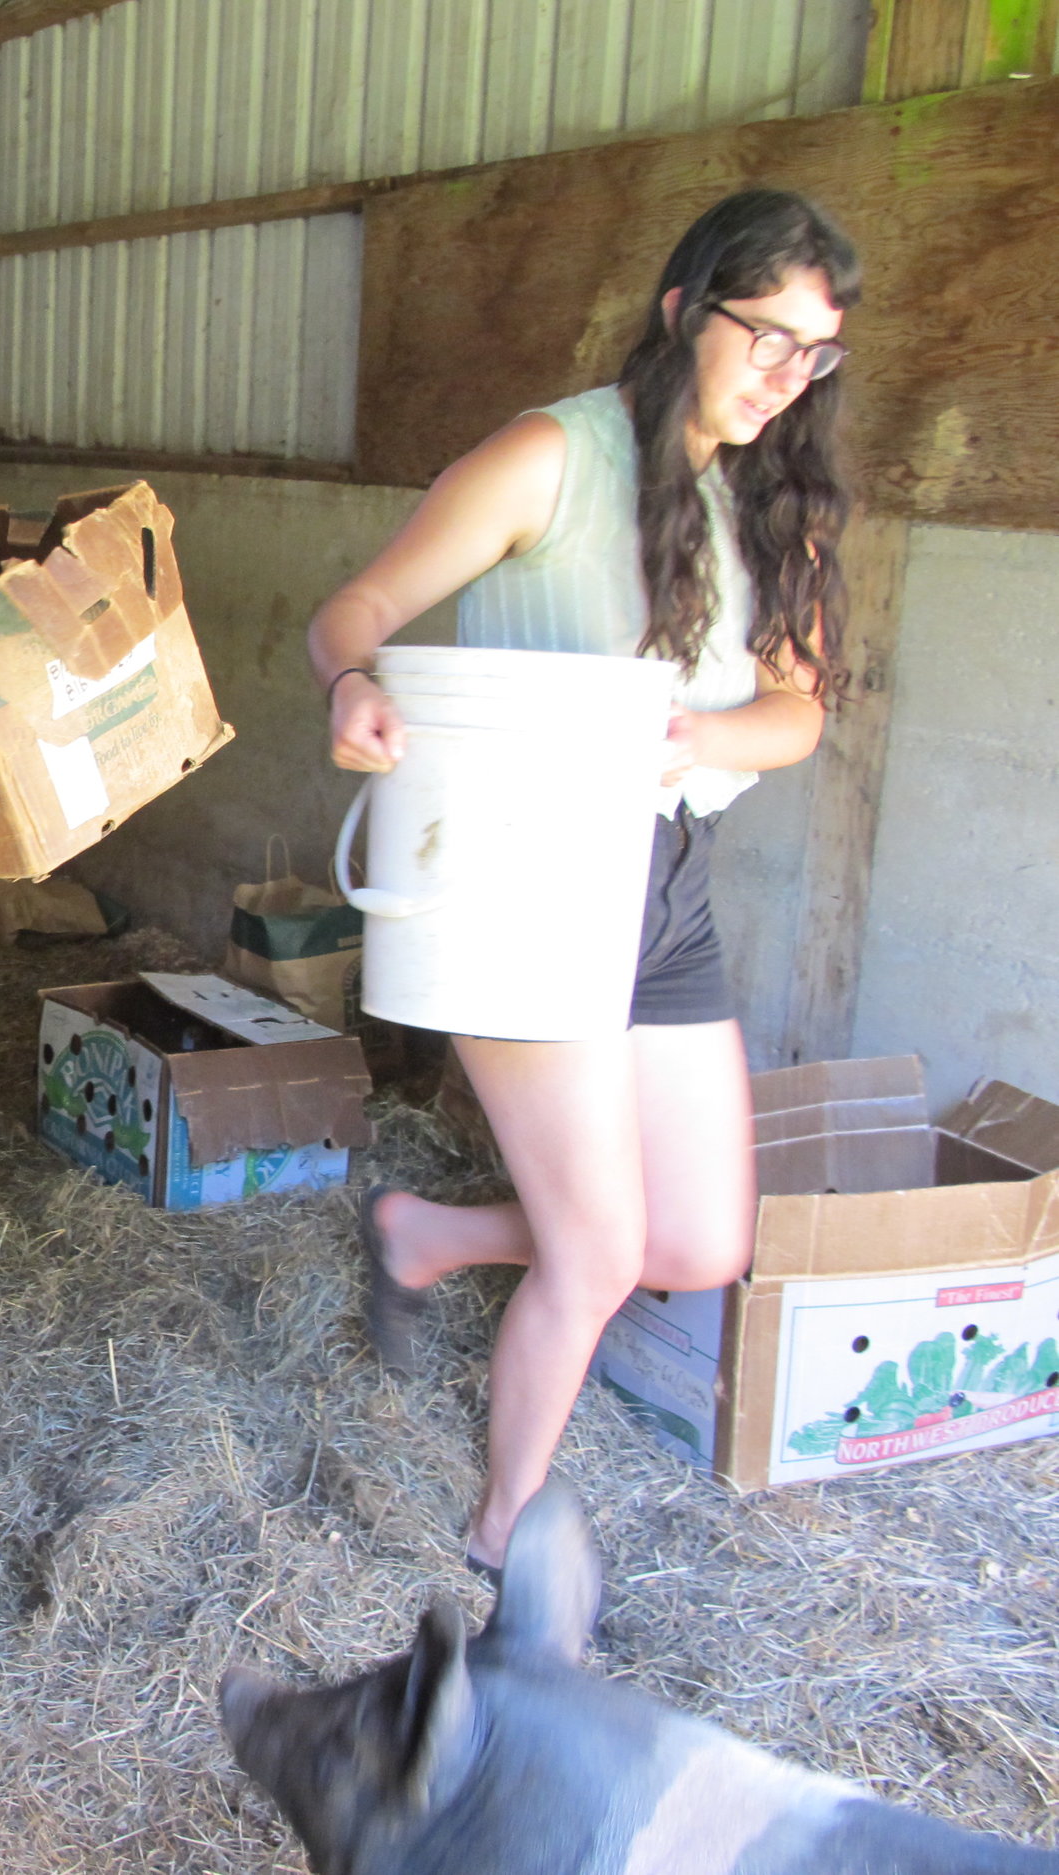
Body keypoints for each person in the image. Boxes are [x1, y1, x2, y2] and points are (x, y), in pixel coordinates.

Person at [307, 190, 857, 1571]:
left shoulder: (781, 499)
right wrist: (356, 686)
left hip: (665, 873)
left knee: (698, 1238)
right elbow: (351, 613)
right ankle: (505, 1530)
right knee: (603, 1253)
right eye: (767, 337)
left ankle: (426, 1228)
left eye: (817, 353)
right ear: (684, 311)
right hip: (520, 874)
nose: (787, 377)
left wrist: (698, 734)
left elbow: (800, 713)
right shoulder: (553, 456)